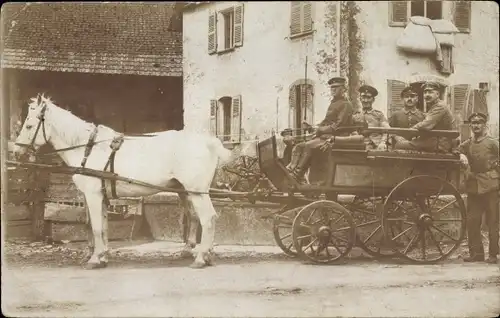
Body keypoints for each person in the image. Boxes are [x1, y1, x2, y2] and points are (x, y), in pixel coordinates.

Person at [286, 77, 354, 182]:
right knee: (299, 146)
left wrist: (320, 130)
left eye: (336, 87)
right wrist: (312, 127)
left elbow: (338, 125)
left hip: (336, 138)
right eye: (332, 88)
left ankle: (297, 174)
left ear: (343, 89)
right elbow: (326, 122)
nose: (333, 90)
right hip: (324, 136)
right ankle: (291, 171)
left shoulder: (345, 104)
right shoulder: (334, 103)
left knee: (309, 146)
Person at [458, 112, 499, 264]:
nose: (476, 125)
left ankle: (493, 254)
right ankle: (476, 254)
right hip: (474, 186)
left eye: (479, 123)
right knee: (472, 220)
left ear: (485, 125)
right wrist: (461, 156)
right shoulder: (468, 143)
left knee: (492, 221)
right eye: (473, 123)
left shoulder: (492, 142)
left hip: (491, 186)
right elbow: (457, 150)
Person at [393, 81, 455, 152]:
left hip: (439, 143)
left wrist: (408, 132)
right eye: (425, 92)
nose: (427, 95)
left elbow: (426, 125)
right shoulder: (434, 106)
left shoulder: (440, 106)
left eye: (430, 92)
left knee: (399, 145)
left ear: (437, 94)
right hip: (434, 140)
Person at [352, 85, 390, 150]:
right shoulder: (355, 116)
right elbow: (352, 131)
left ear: (373, 100)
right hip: (360, 145)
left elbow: (387, 130)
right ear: (360, 99)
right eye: (363, 97)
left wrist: (383, 142)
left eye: (368, 97)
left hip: (377, 146)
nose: (365, 100)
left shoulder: (379, 115)